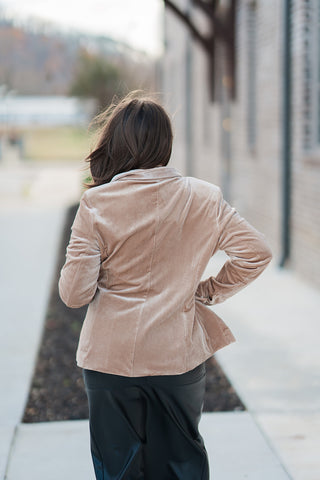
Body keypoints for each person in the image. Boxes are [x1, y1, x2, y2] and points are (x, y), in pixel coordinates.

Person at [58, 91, 272, 480]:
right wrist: (205, 291)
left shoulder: (96, 205)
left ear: (115, 143)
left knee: (118, 470)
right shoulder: (205, 197)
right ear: (165, 144)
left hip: (109, 358)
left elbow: (74, 295)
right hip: (177, 356)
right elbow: (256, 253)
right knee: (181, 466)